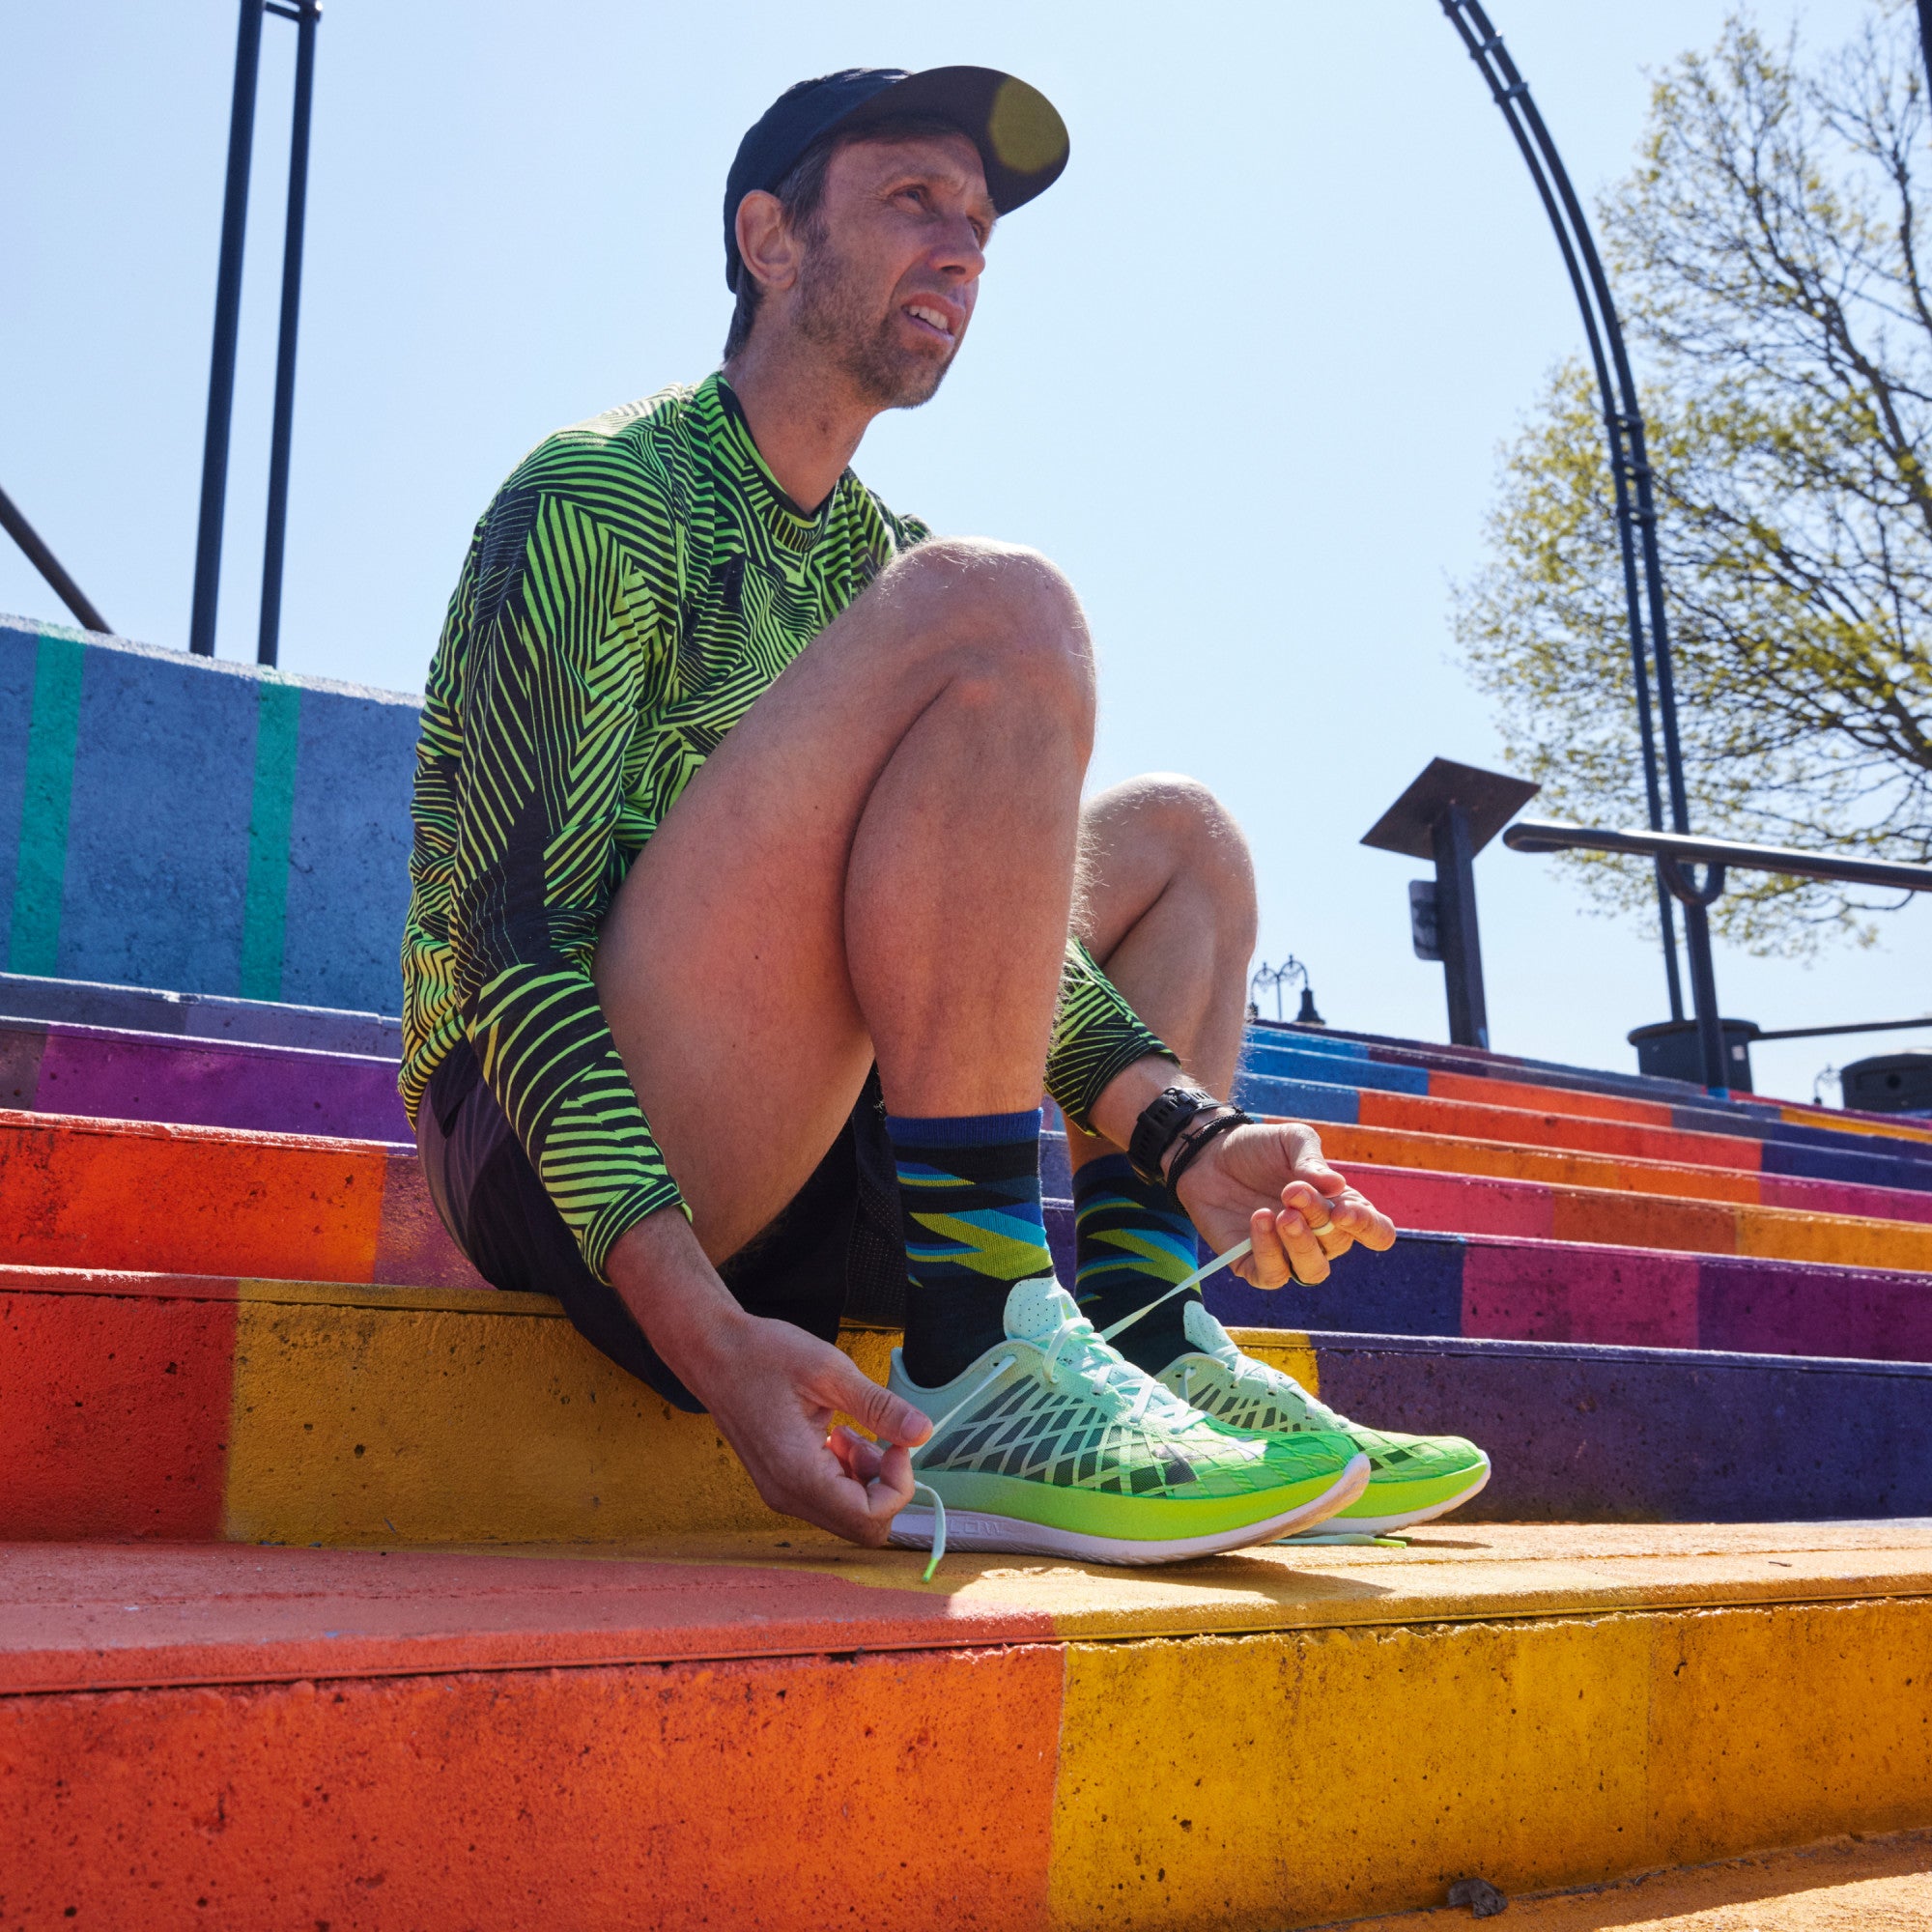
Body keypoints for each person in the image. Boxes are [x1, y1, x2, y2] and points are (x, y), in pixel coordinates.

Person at [402, 66, 1490, 1564]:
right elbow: (514, 951)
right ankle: (977, 1347)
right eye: (916, 200)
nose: (965, 250)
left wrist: (1186, 1137)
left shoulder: (882, 558)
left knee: (1186, 846)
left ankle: (1134, 1332)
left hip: (816, 1145)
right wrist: (711, 1340)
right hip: (576, 1167)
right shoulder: (603, 494)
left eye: (980, 225)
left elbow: (969, 934)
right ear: (771, 238)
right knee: (998, 612)